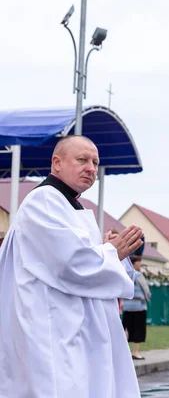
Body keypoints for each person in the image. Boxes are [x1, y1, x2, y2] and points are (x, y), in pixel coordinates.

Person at [0, 136, 144, 397]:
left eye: (95, 162)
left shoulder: (68, 204)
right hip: (54, 328)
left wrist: (109, 251)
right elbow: (70, 265)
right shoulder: (43, 201)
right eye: (82, 160)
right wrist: (113, 252)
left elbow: (79, 258)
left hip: (73, 327)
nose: (91, 168)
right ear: (56, 163)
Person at [122, 256, 152, 360]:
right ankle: (135, 352)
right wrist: (148, 298)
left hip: (127, 307)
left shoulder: (124, 275)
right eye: (138, 262)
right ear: (133, 264)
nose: (140, 264)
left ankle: (123, 352)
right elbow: (146, 290)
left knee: (125, 330)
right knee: (138, 331)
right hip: (139, 307)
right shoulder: (139, 275)